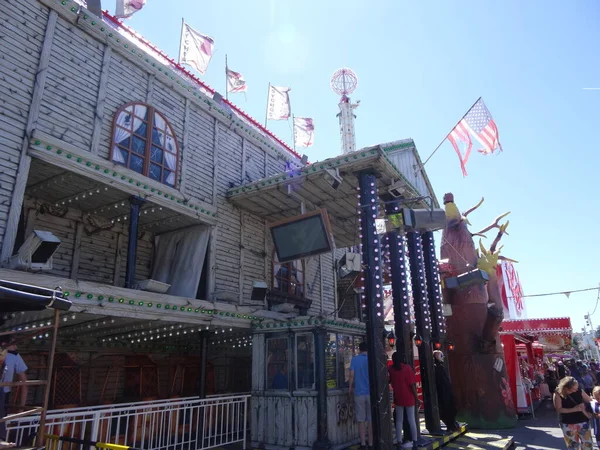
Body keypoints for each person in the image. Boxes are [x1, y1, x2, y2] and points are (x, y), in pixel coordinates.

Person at [0, 336, 28, 444]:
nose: (16, 346)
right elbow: (25, 383)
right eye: (13, 344)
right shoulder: (14, 356)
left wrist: (22, 407)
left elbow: (24, 384)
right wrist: (22, 407)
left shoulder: (14, 355)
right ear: (3, 344)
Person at [388, 352, 419, 449]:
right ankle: (415, 441)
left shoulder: (391, 369)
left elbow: (388, 381)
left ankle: (399, 441)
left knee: (399, 421)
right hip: (409, 398)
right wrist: (417, 398)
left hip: (398, 398)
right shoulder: (407, 368)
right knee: (411, 420)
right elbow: (412, 385)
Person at [553, 376, 593, 449]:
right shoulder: (558, 393)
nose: (576, 390)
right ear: (566, 388)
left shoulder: (579, 390)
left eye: (577, 387)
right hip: (568, 422)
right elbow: (559, 409)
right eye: (574, 389)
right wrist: (574, 409)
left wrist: (585, 405)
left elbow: (590, 401)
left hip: (583, 420)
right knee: (573, 446)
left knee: (587, 444)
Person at [349, 342, 372, 450]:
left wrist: (350, 388)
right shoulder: (371, 359)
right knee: (371, 419)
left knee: (361, 419)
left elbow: (351, 375)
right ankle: (371, 443)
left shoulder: (355, 359)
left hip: (359, 393)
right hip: (370, 393)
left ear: (359, 349)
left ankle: (363, 443)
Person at [432, 350, 460, 432]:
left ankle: (451, 424)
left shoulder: (439, 367)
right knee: (447, 409)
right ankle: (450, 424)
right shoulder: (437, 367)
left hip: (445, 393)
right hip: (443, 393)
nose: (443, 358)